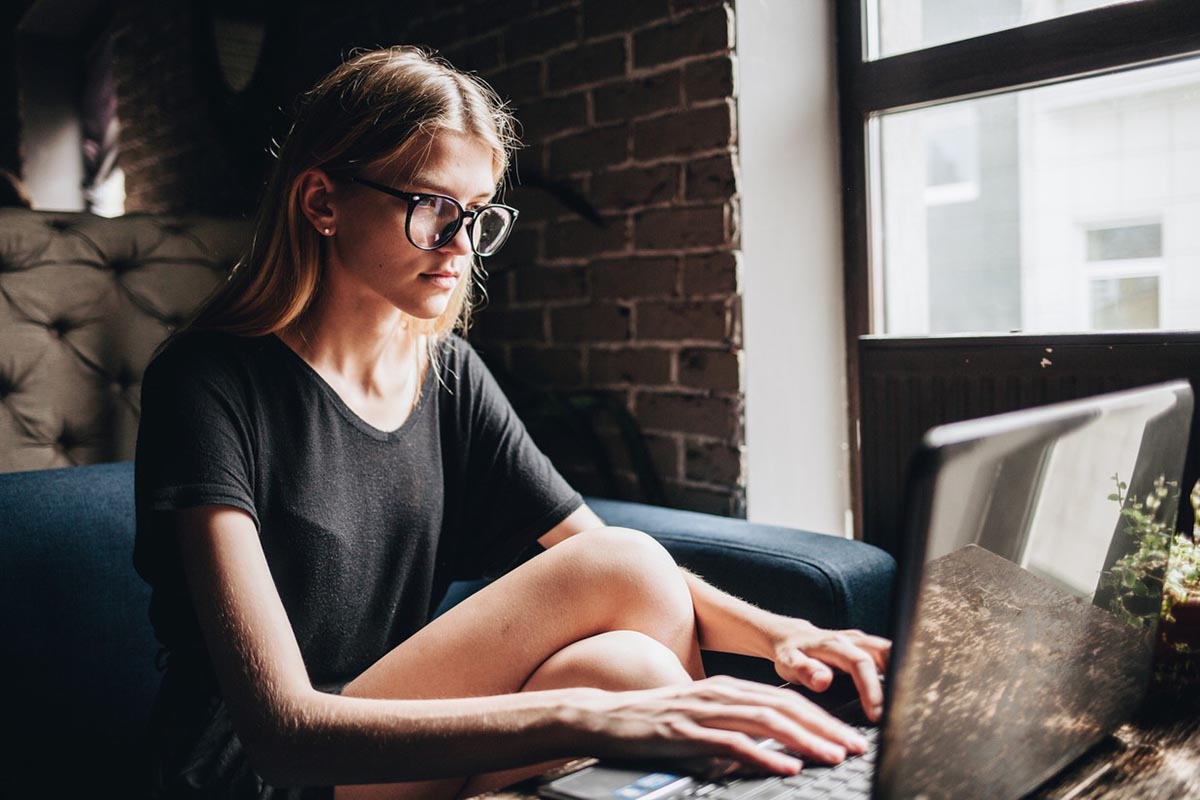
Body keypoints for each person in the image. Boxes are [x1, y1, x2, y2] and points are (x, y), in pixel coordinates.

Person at [133, 46, 891, 800]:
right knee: (620, 630)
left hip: (384, 750)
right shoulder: (207, 383)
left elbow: (617, 567)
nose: (462, 248)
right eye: (432, 209)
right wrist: (590, 718)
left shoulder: (447, 373)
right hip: (267, 771)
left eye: (477, 216)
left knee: (635, 666)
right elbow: (284, 733)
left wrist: (782, 635)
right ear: (322, 202)